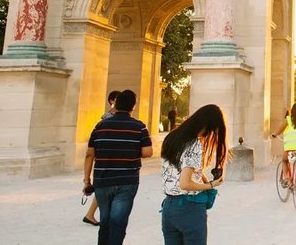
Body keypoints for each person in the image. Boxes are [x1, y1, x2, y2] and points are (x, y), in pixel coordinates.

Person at [84, 89, 153, 245]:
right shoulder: (139, 127)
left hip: (102, 179)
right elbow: (148, 152)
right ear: (133, 107)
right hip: (127, 180)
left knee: (105, 221)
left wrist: (87, 180)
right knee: (118, 223)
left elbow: (89, 154)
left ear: (116, 104)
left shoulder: (100, 126)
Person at [159, 104, 227, 244]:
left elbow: (177, 170)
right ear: (207, 126)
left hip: (168, 207)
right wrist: (211, 184)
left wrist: (201, 175)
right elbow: (185, 183)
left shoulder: (171, 138)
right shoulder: (194, 143)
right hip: (190, 208)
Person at [83, 91, 121, 226]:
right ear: (111, 101)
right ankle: (91, 214)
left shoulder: (112, 116)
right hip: (106, 158)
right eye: (117, 99)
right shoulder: (108, 118)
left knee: (104, 188)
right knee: (105, 188)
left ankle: (90, 214)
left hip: (106, 158)